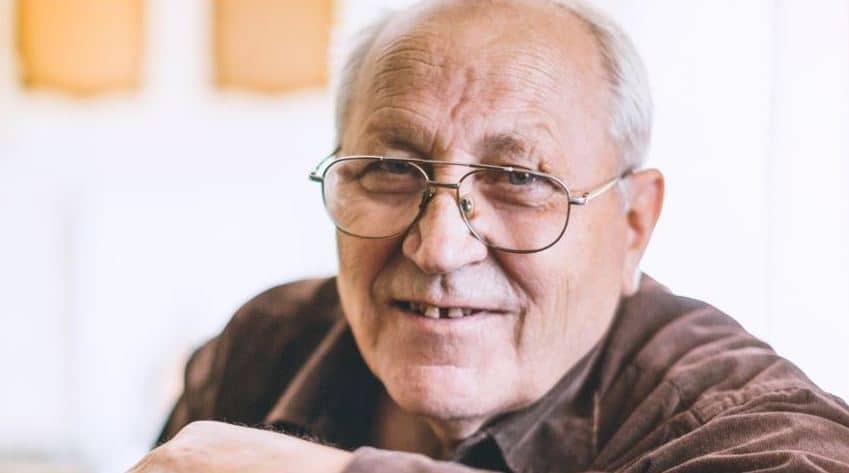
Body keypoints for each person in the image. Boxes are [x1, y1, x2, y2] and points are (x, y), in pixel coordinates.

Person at [129, 0, 849, 471]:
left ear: (633, 224)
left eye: (521, 179)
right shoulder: (266, 345)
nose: (439, 246)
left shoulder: (725, 410)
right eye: (388, 166)